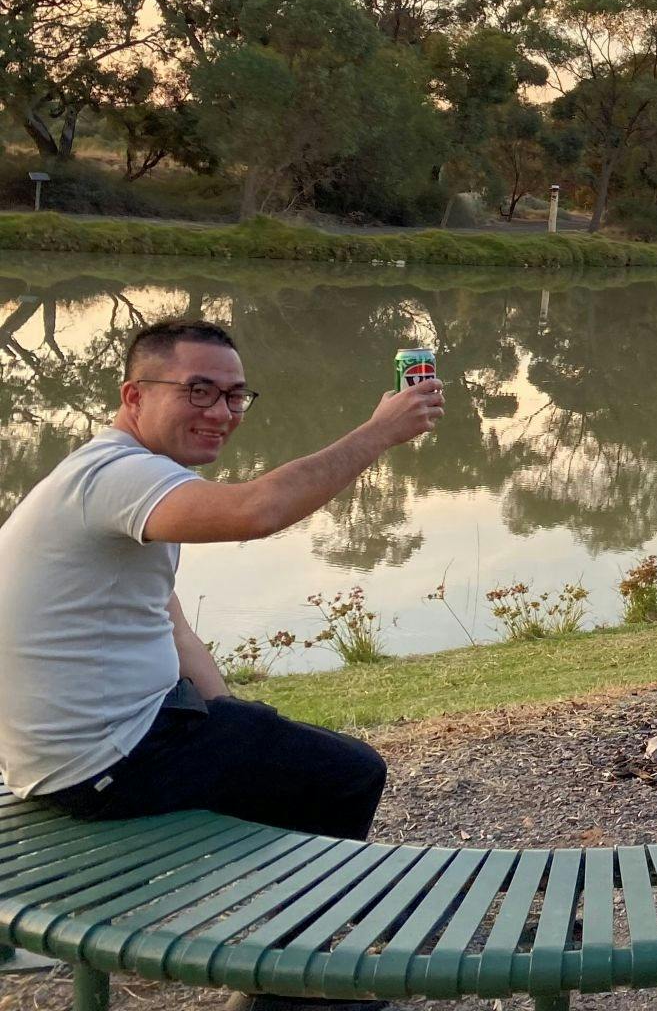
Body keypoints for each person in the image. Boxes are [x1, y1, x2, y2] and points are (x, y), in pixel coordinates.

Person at [0, 318, 443, 1011]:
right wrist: (379, 431)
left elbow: (172, 627)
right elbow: (257, 510)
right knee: (349, 774)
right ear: (134, 395)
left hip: (75, 755)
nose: (221, 413)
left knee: (277, 750)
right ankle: (288, 987)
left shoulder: (109, 479)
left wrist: (233, 718)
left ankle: (280, 942)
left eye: (235, 396)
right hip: (103, 768)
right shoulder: (118, 477)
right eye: (199, 390)